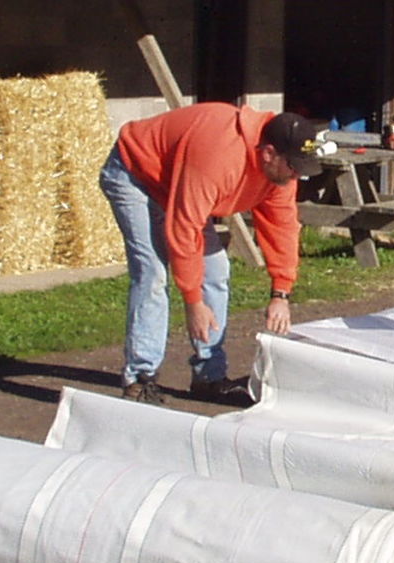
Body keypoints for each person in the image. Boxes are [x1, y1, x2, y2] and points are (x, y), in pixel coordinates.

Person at [99, 105, 333, 406]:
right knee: (153, 273)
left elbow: (282, 226)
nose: (297, 175)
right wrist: (193, 301)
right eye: (293, 166)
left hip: (180, 185)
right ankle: (139, 379)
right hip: (136, 173)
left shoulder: (280, 175)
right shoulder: (219, 155)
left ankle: (209, 376)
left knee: (217, 269)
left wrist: (281, 292)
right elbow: (185, 227)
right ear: (268, 153)